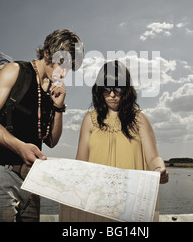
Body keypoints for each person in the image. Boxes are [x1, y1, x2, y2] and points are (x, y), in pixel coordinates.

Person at [0, 29, 83, 222]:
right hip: (0, 173)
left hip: (32, 181)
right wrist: (20, 147)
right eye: (62, 63)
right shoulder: (15, 71)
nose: (64, 73)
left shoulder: (52, 88)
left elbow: (51, 141)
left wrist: (59, 108)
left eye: (70, 67)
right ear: (47, 53)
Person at [65, 60, 168, 221]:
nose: (112, 95)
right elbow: (80, 163)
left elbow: (153, 157)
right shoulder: (89, 120)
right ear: (99, 90)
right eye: (106, 89)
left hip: (131, 207)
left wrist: (159, 168)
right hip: (96, 206)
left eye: (117, 89)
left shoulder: (139, 118)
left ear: (126, 89)